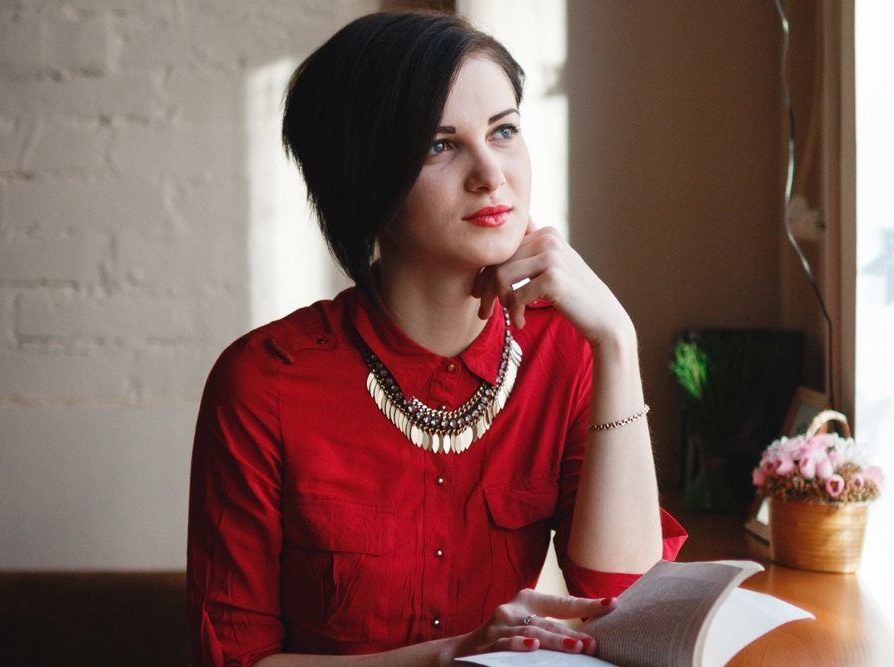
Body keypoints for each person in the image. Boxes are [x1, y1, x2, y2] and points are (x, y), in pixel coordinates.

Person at [187, 11, 686, 667]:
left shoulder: (565, 354)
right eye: (438, 146)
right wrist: (447, 656)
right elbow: (236, 659)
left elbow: (624, 610)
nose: (491, 174)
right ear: (365, 179)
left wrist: (616, 341)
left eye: (503, 130)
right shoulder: (262, 383)